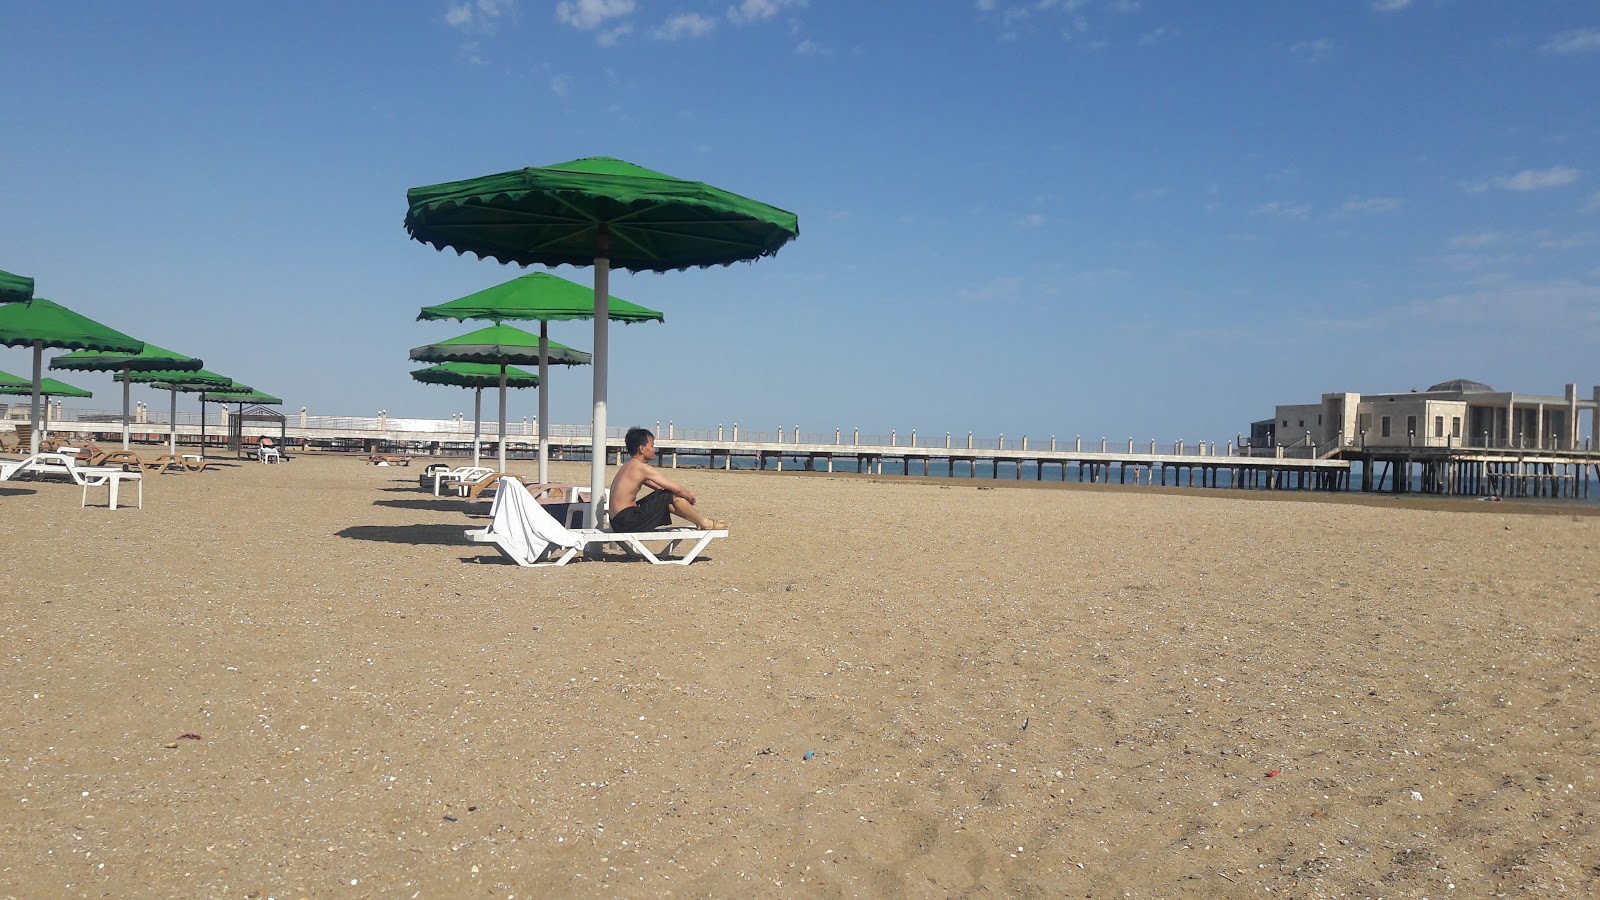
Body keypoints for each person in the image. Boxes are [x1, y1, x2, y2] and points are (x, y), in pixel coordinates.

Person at [608, 427, 728, 532]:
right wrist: (689, 497)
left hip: (618, 522)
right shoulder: (642, 468)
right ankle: (704, 523)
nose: (654, 449)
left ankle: (700, 521)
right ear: (642, 449)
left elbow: (659, 488)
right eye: (652, 445)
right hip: (627, 521)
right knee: (669, 495)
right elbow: (675, 488)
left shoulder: (628, 465)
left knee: (667, 497)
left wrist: (678, 495)